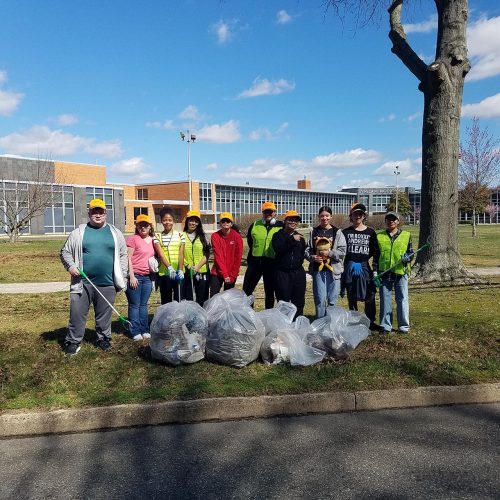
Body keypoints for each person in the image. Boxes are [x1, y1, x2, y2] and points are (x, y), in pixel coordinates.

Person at [60, 198, 128, 356]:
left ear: (105, 213)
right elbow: (65, 252)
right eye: (94, 211)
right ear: (89, 213)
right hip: (82, 283)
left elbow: (123, 255)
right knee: (77, 313)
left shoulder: (115, 233)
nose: (97, 214)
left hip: (108, 283)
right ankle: (73, 341)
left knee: (104, 314)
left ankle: (103, 338)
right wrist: (71, 266)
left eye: (100, 211)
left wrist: (122, 276)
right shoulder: (78, 232)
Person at [375, 211, 414, 334]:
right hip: (384, 274)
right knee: (385, 300)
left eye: (393, 219)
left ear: (398, 221)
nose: (391, 221)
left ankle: (403, 327)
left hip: (400, 273)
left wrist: (408, 258)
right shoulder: (379, 236)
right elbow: (376, 256)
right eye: (388, 219)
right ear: (385, 221)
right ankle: (386, 326)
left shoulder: (406, 235)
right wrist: (375, 272)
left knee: (402, 299)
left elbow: (411, 252)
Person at [342, 203, 379, 329]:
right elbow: (342, 252)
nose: (357, 216)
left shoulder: (371, 232)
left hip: (364, 267)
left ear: (364, 216)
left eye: (360, 214)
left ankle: (370, 322)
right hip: (350, 267)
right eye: (355, 214)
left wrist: (374, 269)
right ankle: (354, 321)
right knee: (351, 295)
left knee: (370, 294)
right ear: (351, 216)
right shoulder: (345, 232)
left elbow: (375, 252)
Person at [305, 206, 346, 318]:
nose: (324, 218)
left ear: (331, 217)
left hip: (334, 271)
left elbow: (342, 252)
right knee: (320, 300)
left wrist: (330, 253)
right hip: (318, 271)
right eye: (322, 216)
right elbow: (307, 249)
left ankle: (330, 324)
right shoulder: (313, 231)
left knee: (332, 300)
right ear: (319, 217)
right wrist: (312, 257)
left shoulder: (337, 232)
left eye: (327, 215)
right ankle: (320, 324)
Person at [243, 201, 283, 308]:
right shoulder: (255, 224)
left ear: (275, 212)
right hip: (255, 263)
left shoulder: (281, 226)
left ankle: (268, 314)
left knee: (269, 292)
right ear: (262, 213)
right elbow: (250, 242)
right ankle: (249, 314)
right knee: (247, 290)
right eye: (266, 212)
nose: (268, 214)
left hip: (272, 264)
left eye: (270, 212)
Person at [125, 214, 155, 341]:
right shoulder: (133, 239)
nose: (143, 227)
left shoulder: (153, 239)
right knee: (134, 305)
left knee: (143, 305)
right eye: (140, 225)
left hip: (147, 277)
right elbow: (128, 258)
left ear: (150, 227)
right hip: (135, 276)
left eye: (145, 225)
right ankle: (135, 330)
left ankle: (145, 329)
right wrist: (131, 276)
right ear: (137, 226)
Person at [271, 210, 307, 317]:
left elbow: (303, 253)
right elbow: (278, 249)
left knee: (299, 301)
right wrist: (291, 240)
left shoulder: (300, 237)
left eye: (296, 221)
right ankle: (283, 327)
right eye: (290, 220)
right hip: (283, 273)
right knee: (283, 301)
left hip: (298, 273)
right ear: (285, 221)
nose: (293, 222)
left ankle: (298, 325)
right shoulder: (277, 235)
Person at [154, 207, 185, 304]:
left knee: (179, 299)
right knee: (166, 300)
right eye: (164, 220)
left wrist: (180, 269)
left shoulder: (180, 235)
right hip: (165, 273)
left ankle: (179, 319)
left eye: (170, 220)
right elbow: (161, 254)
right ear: (161, 221)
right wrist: (169, 268)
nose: (167, 222)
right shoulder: (157, 236)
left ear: (173, 221)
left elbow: (181, 254)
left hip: (178, 272)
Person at [210, 212, 243, 296]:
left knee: (228, 298)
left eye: (227, 221)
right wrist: (224, 274)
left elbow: (238, 258)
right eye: (223, 221)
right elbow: (218, 256)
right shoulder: (215, 236)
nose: (225, 223)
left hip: (231, 273)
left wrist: (233, 275)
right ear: (220, 223)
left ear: (231, 224)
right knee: (214, 297)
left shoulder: (237, 237)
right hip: (217, 272)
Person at [182, 209, 211, 305]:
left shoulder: (204, 236)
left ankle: (202, 317)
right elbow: (180, 253)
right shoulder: (181, 235)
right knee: (188, 298)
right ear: (187, 221)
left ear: (199, 223)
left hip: (202, 271)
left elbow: (207, 254)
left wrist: (198, 266)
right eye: (191, 220)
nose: (193, 223)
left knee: (202, 297)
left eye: (196, 221)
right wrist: (188, 265)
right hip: (187, 271)